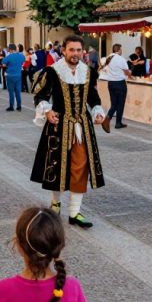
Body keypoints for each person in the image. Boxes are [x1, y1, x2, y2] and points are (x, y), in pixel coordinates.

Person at [31, 35, 106, 229]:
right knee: (57, 165)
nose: (75, 54)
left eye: (78, 50)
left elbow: (93, 97)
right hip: (59, 125)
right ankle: (55, 204)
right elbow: (40, 94)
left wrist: (97, 111)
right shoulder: (53, 71)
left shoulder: (88, 72)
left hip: (82, 126)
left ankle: (74, 212)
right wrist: (47, 111)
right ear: (63, 50)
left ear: (83, 52)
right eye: (71, 50)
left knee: (80, 166)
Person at [99, 44, 130, 130]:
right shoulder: (121, 59)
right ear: (119, 50)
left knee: (114, 104)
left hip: (111, 83)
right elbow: (126, 71)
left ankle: (108, 119)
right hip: (120, 83)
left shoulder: (108, 57)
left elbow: (104, 68)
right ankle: (117, 122)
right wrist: (130, 75)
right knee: (120, 104)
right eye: (121, 49)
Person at [2, 44, 26, 111]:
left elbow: (3, 63)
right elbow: (23, 61)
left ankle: (11, 106)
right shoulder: (21, 56)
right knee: (18, 91)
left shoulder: (9, 56)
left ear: (10, 50)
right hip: (18, 75)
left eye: (9, 50)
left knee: (11, 92)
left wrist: (8, 65)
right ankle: (19, 106)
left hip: (10, 76)